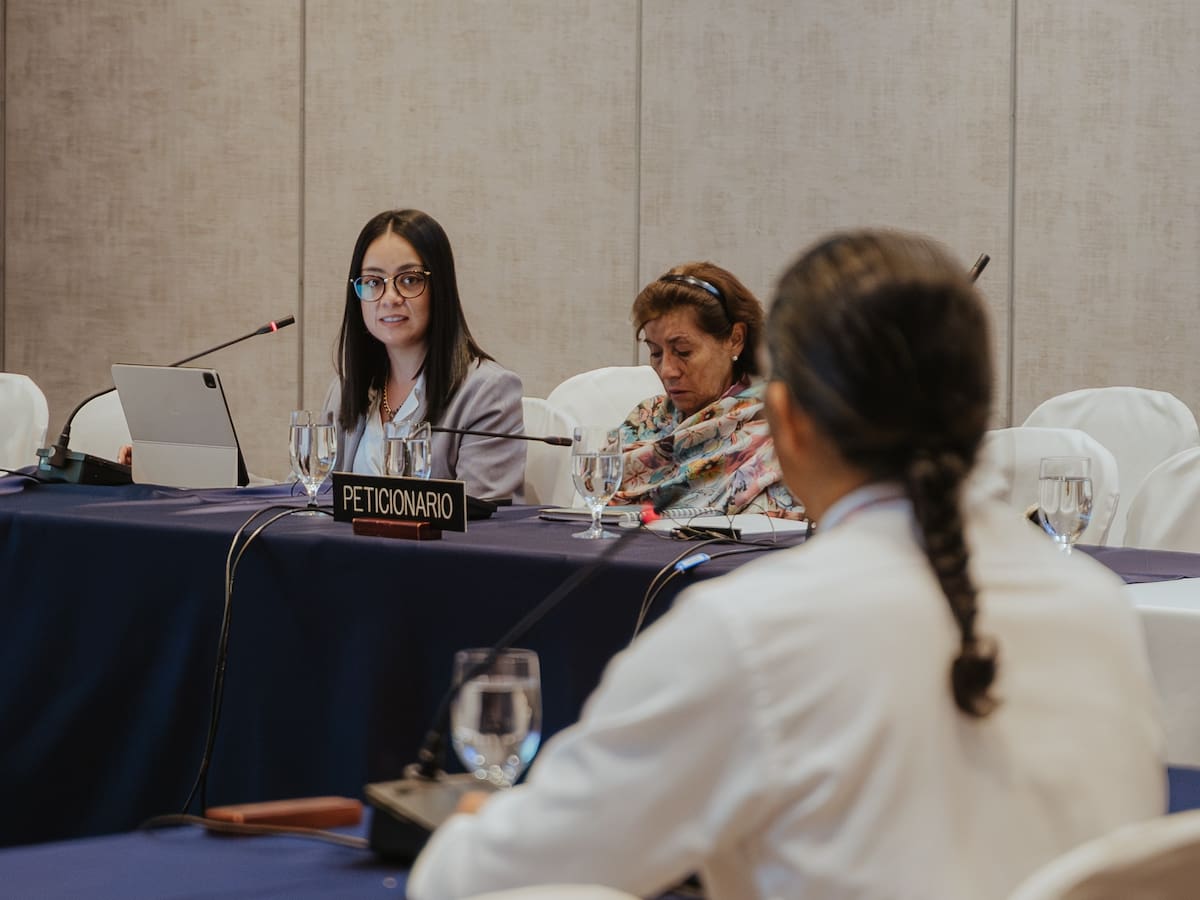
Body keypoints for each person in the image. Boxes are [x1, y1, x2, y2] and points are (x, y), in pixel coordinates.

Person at [408, 230, 1164, 900]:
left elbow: (482, 883)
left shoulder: (747, 632)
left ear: (788, 422)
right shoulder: (1101, 607)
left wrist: (474, 822)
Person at [322, 209, 525, 500]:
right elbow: (309, 496)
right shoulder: (345, 389)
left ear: (439, 287)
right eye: (373, 282)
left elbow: (485, 521)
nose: (390, 298)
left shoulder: (487, 392)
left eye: (409, 280)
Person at [611, 261, 803, 516]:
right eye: (655, 352)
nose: (667, 370)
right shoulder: (645, 419)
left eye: (683, 351)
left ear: (735, 340)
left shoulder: (776, 429)